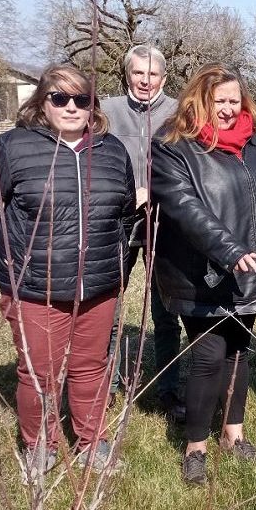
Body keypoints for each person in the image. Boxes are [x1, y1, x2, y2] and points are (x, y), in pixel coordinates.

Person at [0, 65, 135, 480]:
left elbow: (126, 213)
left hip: (98, 286)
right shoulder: (10, 148)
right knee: (39, 373)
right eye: (60, 98)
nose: (72, 107)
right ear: (42, 103)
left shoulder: (112, 151)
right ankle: (40, 444)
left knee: (90, 367)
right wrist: (4, 266)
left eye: (82, 99)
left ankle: (92, 441)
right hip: (35, 288)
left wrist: (115, 264)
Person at [150, 64, 256, 485]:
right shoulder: (173, 145)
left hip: (253, 269)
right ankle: (195, 446)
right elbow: (185, 208)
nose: (229, 109)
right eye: (220, 101)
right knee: (208, 355)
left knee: (238, 349)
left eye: (235, 100)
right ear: (200, 101)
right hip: (201, 273)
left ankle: (233, 435)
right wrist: (228, 251)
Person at [100, 44, 184, 418]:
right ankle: (108, 386)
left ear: (163, 78)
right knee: (110, 305)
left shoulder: (179, 113)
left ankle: (168, 389)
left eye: (152, 74)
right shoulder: (107, 111)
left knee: (166, 309)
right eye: (138, 73)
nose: (145, 80)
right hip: (117, 220)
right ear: (127, 75)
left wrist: (156, 192)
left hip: (165, 221)